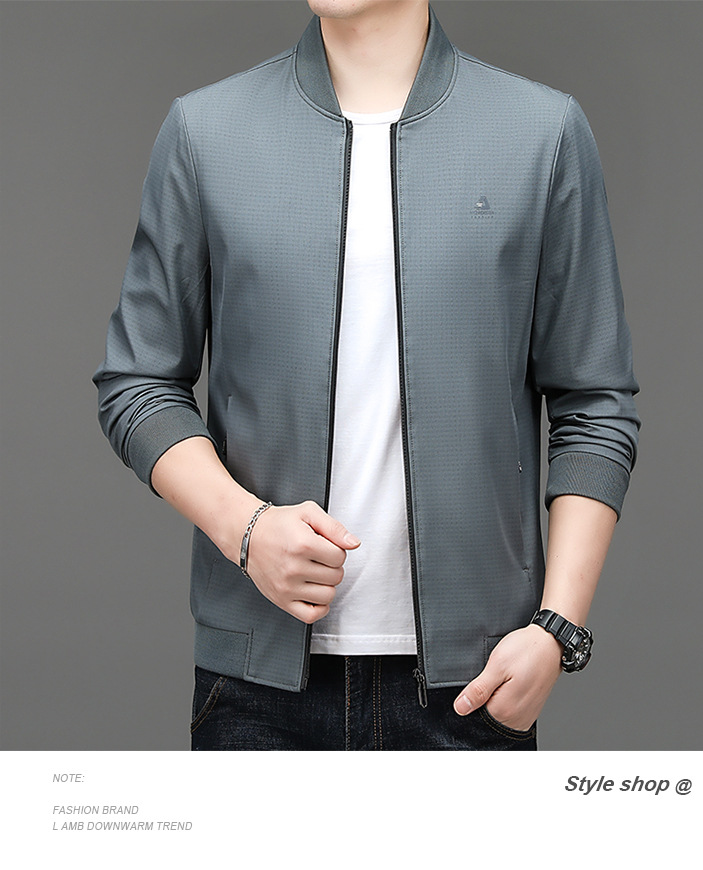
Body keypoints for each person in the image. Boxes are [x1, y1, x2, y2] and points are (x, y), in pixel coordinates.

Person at [93, 0, 640, 751]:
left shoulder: (541, 134)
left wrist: (557, 628)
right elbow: (139, 380)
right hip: (254, 693)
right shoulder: (206, 131)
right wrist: (246, 529)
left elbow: (593, 403)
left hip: (475, 685)